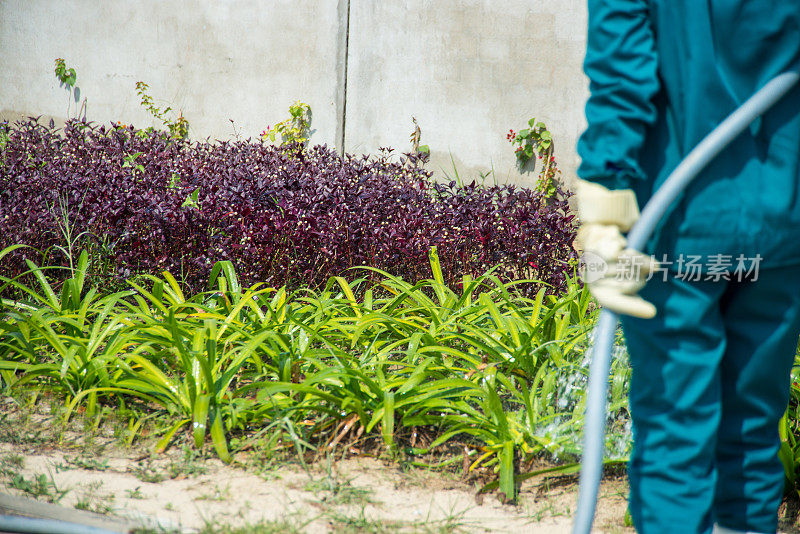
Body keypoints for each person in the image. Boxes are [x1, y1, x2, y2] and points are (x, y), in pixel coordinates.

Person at [574, 1, 800, 533]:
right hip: (782, 213)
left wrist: (606, 201)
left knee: (677, 437)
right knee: (750, 436)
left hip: (676, 224)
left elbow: (621, 58)